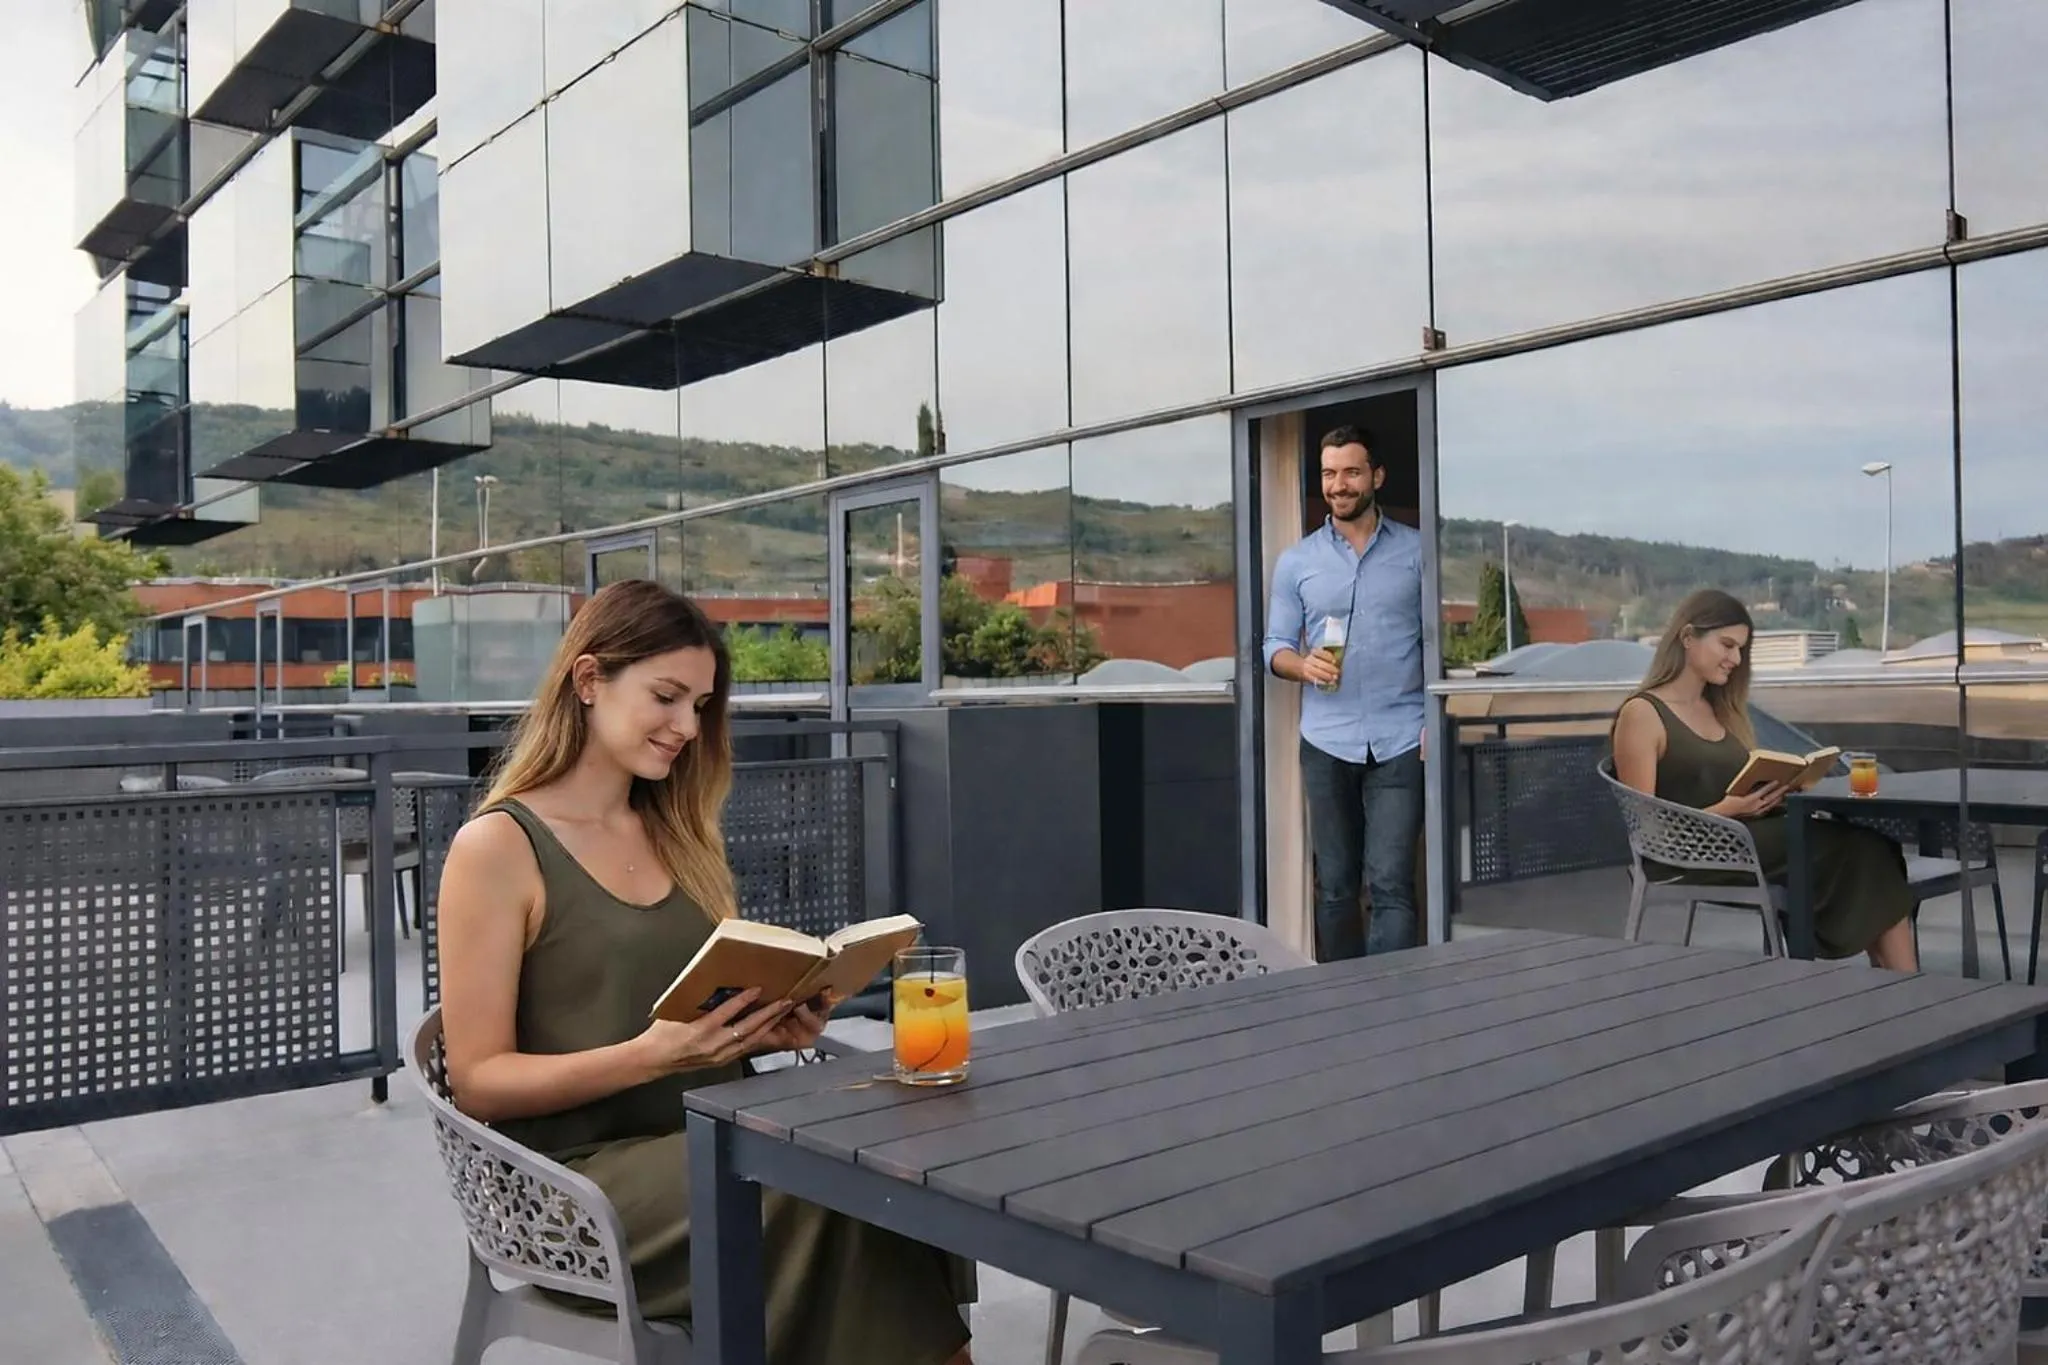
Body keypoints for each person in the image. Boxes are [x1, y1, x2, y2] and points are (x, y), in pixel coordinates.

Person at [436, 579, 974, 1365]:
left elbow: (697, 999)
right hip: (576, 1186)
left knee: (891, 1154)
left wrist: (773, 1018)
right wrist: (651, 1056)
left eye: (701, 704)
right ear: (588, 681)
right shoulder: (497, 849)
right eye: (667, 696)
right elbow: (478, 1080)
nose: (687, 726)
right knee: (830, 1191)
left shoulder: (677, 834)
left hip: (717, 1130)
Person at [1610, 588, 1917, 971]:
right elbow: (1648, 827)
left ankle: (1896, 980)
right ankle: (1904, 981)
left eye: (1740, 650)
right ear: (1687, 637)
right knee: (1861, 850)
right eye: (1727, 645)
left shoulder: (1720, 709)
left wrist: (1781, 790)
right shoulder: (1642, 713)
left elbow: (1737, 781)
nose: (1735, 660)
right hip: (1687, 854)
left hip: (1745, 835)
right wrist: (1729, 811)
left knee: (1876, 846)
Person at [1263, 424, 1427, 960]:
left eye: (1351, 472)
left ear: (1375, 477)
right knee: (1334, 888)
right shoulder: (1298, 562)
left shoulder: (1418, 553)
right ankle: (1341, 1012)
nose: (1339, 485)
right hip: (1327, 741)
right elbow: (1275, 647)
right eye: (1329, 474)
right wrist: (1300, 665)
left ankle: (1396, 1010)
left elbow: (1436, 645)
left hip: (1403, 740)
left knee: (1392, 886)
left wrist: (1433, 717)